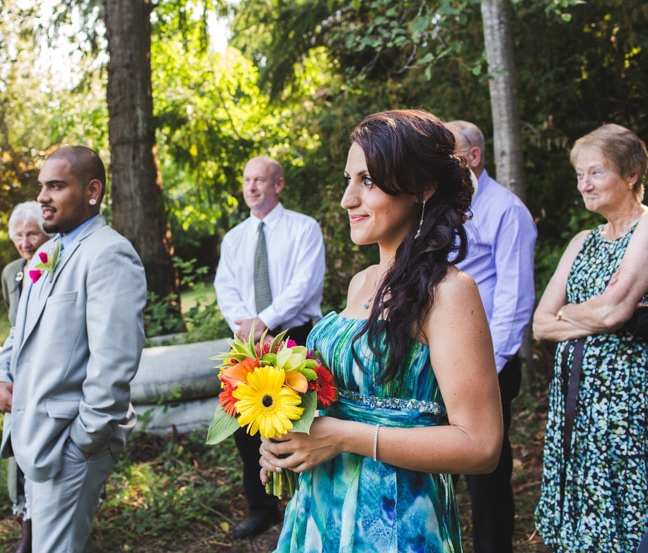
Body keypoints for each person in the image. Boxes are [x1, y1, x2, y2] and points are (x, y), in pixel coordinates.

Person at [258, 109, 504, 552]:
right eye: (348, 180)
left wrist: (341, 437)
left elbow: (481, 445)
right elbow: (335, 411)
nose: (347, 199)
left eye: (367, 181)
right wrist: (289, 443)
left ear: (422, 188)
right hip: (320, 512)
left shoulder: (450, 293)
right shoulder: (360, 283)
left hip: (394, 522)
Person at [0, 145, 147, 553]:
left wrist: (84, 439)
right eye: (41, 186)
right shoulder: (47, 253)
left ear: (92, 190)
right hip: (36, 439)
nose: (42, 197)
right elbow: (19, 333)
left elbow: (115, 360)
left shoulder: (109, 253)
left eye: (56, 186)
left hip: (69, 442)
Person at [532, 123, 648, 551]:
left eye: (595, 173)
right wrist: (594, 313)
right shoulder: (582, 241)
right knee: (581, 500)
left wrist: (573, 310)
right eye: (580, 175)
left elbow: (616, 310)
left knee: (626, 502)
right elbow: (541, 324)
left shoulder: (646, 229)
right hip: (574, 401)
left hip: (625, 401)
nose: (584, 184)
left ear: (631, 174)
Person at [213, 155, 326, 539]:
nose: (251, 187)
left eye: (259, 180)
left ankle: (307, 501)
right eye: (247, 180)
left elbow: (304, 284)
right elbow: (225, 288)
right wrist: (247, 327)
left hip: (294, 334)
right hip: (248, 341)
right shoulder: (234, 238)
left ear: (277, 185)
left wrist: (266, 320)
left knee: (300, 419)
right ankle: (263, 508)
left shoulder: (303, 229)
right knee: (246, 423)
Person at [445, 120, 538, 553]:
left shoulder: (507, 210)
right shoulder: (441, 206)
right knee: (440, 464)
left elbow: (514, 299)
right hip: (441, 360)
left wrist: (489, 369)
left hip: (488, 363)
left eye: (449, 155)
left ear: (474, 157)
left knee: (487, 478)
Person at [0, 201, 54, 553]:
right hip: (19, 377)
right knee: (18, 457)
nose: (25, 242)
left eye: (32, 233)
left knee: (48, 456)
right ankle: (27, 532)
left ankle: (54, 530)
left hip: (50, 374)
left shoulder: (56, 262)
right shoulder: (10, 272)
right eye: (18, 235)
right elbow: (13, 326)